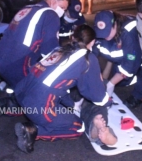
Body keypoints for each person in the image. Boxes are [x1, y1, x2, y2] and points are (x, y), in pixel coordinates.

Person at [14, 25, 116, 153]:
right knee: (78, 128)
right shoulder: (87, 58)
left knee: (54, 100)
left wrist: (72, 105)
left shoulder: (59, 49)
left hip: (20, 92)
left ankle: (1, 106)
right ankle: (33, 131)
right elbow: (96, 94)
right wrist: (108, 102)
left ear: (73, 37)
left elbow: (56, 83)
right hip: (39, 105)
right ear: (92, 42)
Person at [0, 0, 70, 88]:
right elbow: (50, 51)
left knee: (16, 89)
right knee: (35, 92)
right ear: (54, 0)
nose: (62, 12)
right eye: (62, 7)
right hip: (17, 63)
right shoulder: (51, 14)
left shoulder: (27, 8)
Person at [92, 10, 142, 108]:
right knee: (121, 82)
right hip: (125, 53)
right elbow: (93, 52)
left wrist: (111, 83)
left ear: (115, 23)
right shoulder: (101, 31)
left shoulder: (128, 34)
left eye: (107, 32)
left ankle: (140, 95)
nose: (105, 36)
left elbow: (130, 65)